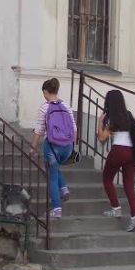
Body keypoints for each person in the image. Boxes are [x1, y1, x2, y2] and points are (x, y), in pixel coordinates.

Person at [29, 78, 77, 219]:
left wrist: (32, 148)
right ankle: (64, 188)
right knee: (54, 169)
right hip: (67, 146)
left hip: (52, 147)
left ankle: (57, 209)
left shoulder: (44, 108)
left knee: (52, 176)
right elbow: (74, 128)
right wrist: (72, 147)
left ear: (45, 91)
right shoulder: (66, 106)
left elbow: (39, 130)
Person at [97, 89, 135, 232]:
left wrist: (100, 122)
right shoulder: (128, 115)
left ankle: (116, 208)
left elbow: (102, 138)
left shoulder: (111, 117)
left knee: (107, 179)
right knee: (129, 186)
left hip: (118, 151)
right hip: (132, 153)